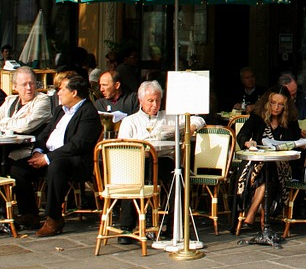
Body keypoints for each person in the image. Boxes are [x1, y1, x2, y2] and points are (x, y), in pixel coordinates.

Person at [10, 75, 101, 236]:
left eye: (62, 89)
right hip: (51, 155)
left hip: (75, 161)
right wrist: (38, 152)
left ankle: (54, 217)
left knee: (56, 165)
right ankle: (29, 214)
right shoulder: (60, 110)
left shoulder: (88, 112)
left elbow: (77, 145)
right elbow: (44, 135)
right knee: (18, 168)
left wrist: (47, 158)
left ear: (74, 92)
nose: (58, 93)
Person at [117, 80, 205, 244]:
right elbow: (123, 147)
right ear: (141, 100)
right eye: (150, 101)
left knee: (179, 177)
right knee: (132, 177)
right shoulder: (131, 121)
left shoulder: (169, 117)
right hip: (139, 161)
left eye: (158, 100)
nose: (155, 105)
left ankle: (174, 227)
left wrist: (191, 127)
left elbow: (199, 119)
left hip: (163, 160)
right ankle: (127, 227)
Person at [235, 85, 305, 230]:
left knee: (268, 173)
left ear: (286, 106)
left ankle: (251, 216)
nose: (276, 107)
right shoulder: (257, 116)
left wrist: (299, 143)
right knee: (264, 174)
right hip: (257, 162)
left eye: (280, 104)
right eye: (273, 103)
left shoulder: (290, 120)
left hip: (281, 165)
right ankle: (258, 218)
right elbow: (242, 134)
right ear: (267, 102)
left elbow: (296, 140)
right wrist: (247, 143)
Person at [0, 67, 52, 164]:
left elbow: (26, 125)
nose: (29, 88)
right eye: (24, 84)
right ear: (15, 87)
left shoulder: (42, 100)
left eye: (31, 83)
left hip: (29, 149)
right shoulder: (10, 100)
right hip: (7, 146)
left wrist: (4, 122)